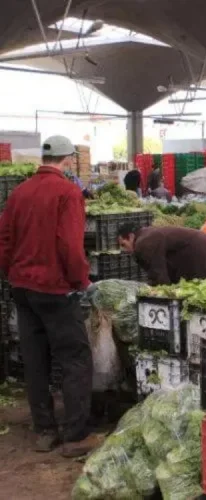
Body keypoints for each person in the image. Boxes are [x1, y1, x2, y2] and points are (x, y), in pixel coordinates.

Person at [0, 135, 98, 457]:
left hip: (23, 288)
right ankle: (75, 435)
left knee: (35, 359)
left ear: (43, 159)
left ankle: (44, 431)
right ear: (67, 159)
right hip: (55, 289)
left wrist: (12, 273)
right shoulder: (67, 192)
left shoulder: (19, 192)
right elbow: (70, 245)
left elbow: (4, 240)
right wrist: (80, 281)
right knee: (74, 357)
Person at [118, 224, 206, 285]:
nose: (124, 250)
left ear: (131, 236)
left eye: (123, 244)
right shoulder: (149, 234)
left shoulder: (143, 242)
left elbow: (158, 274)